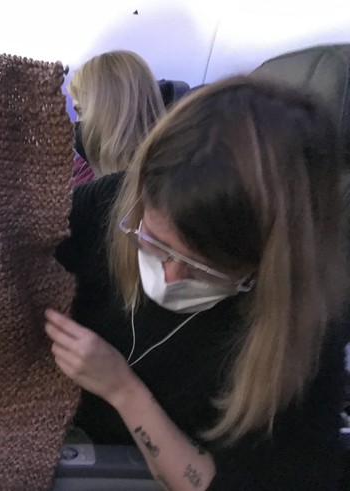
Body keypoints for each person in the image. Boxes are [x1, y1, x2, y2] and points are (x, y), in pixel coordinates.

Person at [46, 75, 349, 489]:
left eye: (202, 268)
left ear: (267, 267)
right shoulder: (110, 204)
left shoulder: (305, 339)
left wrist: (123, 390)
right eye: (153, 243)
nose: (169, 275)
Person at [68, 50, 165, 185]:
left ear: (108, 112)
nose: (76, 123)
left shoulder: (147, 193)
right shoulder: (84, 166)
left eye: (81, 111)